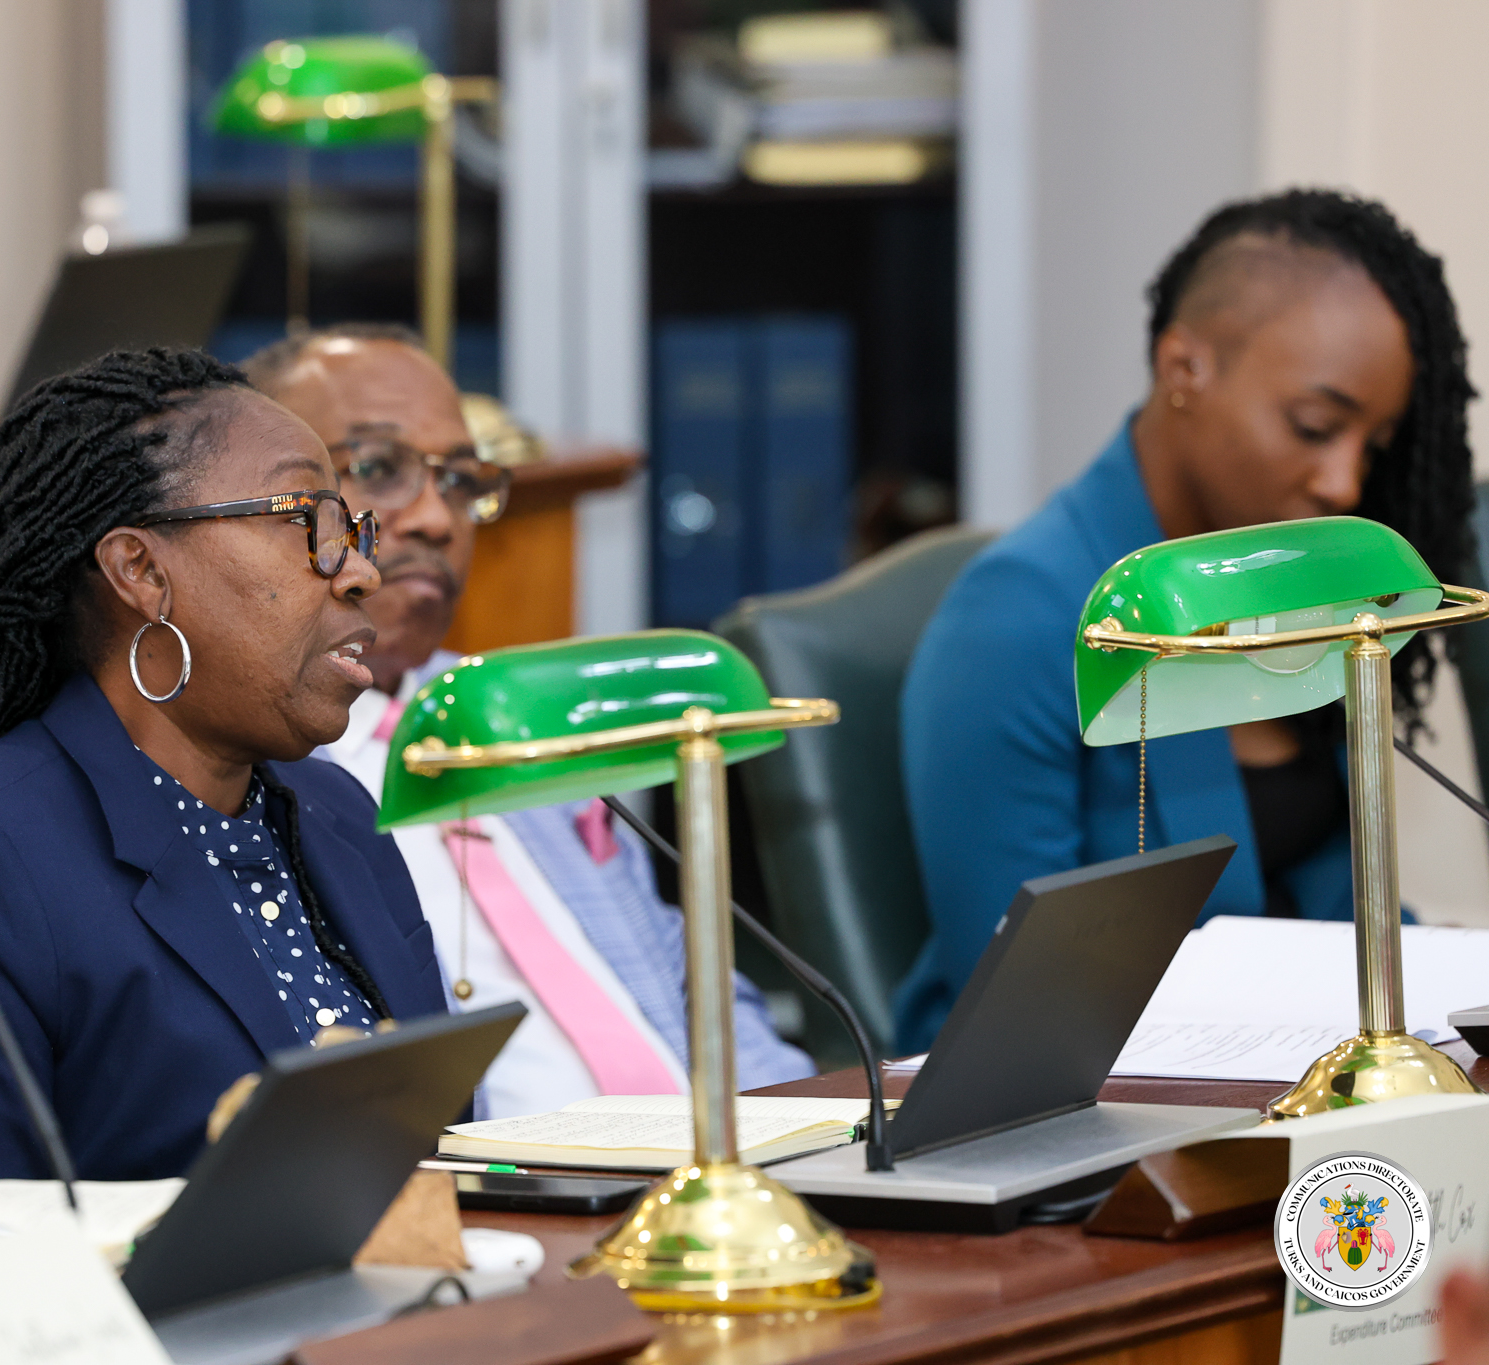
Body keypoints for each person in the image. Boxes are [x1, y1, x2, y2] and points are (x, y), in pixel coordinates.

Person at [0, 348, 447, 1181]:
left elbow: (447, 1151)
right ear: (141, 571)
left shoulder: (342, 816)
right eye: (308, 526)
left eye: (352, 532)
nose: (360, 571)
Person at [896, 189, 1475, 1053]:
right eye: (1314, 426)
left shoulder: (1299, 584)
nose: (1344, 482)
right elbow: (1025, 1013)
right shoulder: (1011, 623)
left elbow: (1350, 912)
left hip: (1293, 1069)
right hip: (1071, 1102)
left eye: (1373, 444)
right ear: (1184, 370)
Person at [245, 324, 811, 1118]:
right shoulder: (258, 763)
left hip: (706, 1161)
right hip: (500, 1180)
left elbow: (690, 986)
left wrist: (818, 1126)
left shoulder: (515, 707)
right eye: (378, 469)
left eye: (459, 479)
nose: (438, 519)